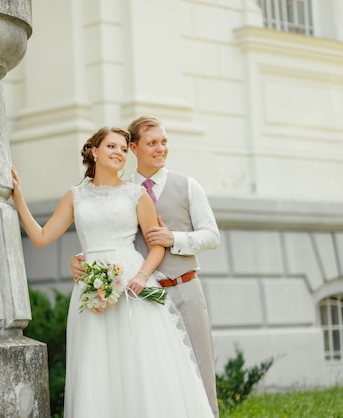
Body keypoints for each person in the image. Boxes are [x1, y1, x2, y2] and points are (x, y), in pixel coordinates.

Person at [11, 126, 213, 417]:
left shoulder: (136, 194)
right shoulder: (75, 195)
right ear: (94, 151)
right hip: (90, 287)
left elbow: (156, 245)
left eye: (122, 148)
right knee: (98, 365)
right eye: (111, 147)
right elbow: (42, 237)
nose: (118, 153)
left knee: (139, 362)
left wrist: (142, 276)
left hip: (133, 285)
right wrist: (19, 198)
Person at [70, 115, 220, 417]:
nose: (161, 148)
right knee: (146, 379)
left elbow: (212, 235)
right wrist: (79, 258)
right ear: (134, 148)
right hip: (140, 298)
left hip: (184, 288)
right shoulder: (122, 189)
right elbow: (105, 230)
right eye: (152, 143)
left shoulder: (188, 186)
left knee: (198, 376)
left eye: (164, 142)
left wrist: (173, 237)